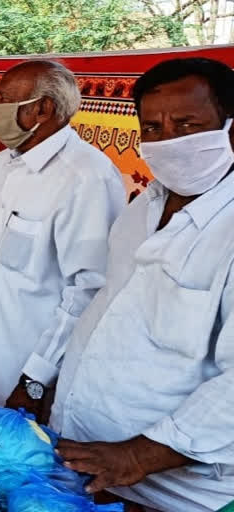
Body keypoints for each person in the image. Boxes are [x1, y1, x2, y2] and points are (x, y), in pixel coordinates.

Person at [51, 58, 234, 511]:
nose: (168, 141)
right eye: (152, 127)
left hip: (179, 492)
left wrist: (138, 455)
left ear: (230, 129)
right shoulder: (141, 209)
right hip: (91, 464)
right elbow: (107, 310)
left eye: (188, 125)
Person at [0, 61, 126, 413]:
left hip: (23, 381)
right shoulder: (1, 166)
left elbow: (87, 290)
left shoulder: (86, 177)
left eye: (2, 97)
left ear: (42, 109)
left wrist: (35, 378)